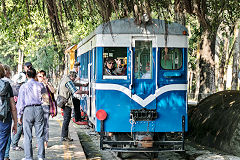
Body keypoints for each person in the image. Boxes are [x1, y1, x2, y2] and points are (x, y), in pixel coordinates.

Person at [16, 67, 46, 160]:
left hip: (27, 110)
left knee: (27, 136)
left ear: (26, 75)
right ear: (35, 75)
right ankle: (41, 157)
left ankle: (28, 157)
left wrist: (19, 115)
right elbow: (45, 97)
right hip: (38, 109)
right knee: (40, 134)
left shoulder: (23, 87)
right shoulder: (40, 85)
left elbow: (20, 102)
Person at [58, 71, 88, 141]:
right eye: (74, 78)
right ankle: (64, 137)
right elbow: (76, 91)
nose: (74, 79)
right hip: (66, 103)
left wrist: (83, 85)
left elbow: (74, 84)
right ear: (72, 76)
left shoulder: (65, 79)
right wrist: (85, 92)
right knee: (66, 120)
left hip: (62, 101)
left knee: (66, 119)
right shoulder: (68, 82)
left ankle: (64, 136)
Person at [0, 64, 17, 160]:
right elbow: (13, 107)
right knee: (2, 144)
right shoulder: (7, 85)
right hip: (4, 119)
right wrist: (15, 122)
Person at [37, 70, 55, 149]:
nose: (41, 78)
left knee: (46, 125)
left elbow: (53, 91)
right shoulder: (36, 84)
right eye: (39, 76)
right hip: (38, 106)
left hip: (46, 106)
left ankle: (45, 141)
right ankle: (39, 141)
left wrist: (46, 84)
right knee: (38, 125)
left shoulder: (47, 84)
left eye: (42, 76)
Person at [11, 73, 26, 152]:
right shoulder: (21, 88)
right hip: (18, 109)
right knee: (19, 126)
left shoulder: (12, 87)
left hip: (12, 109)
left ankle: (13, 142)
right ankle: (14, 144)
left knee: (15, 125)